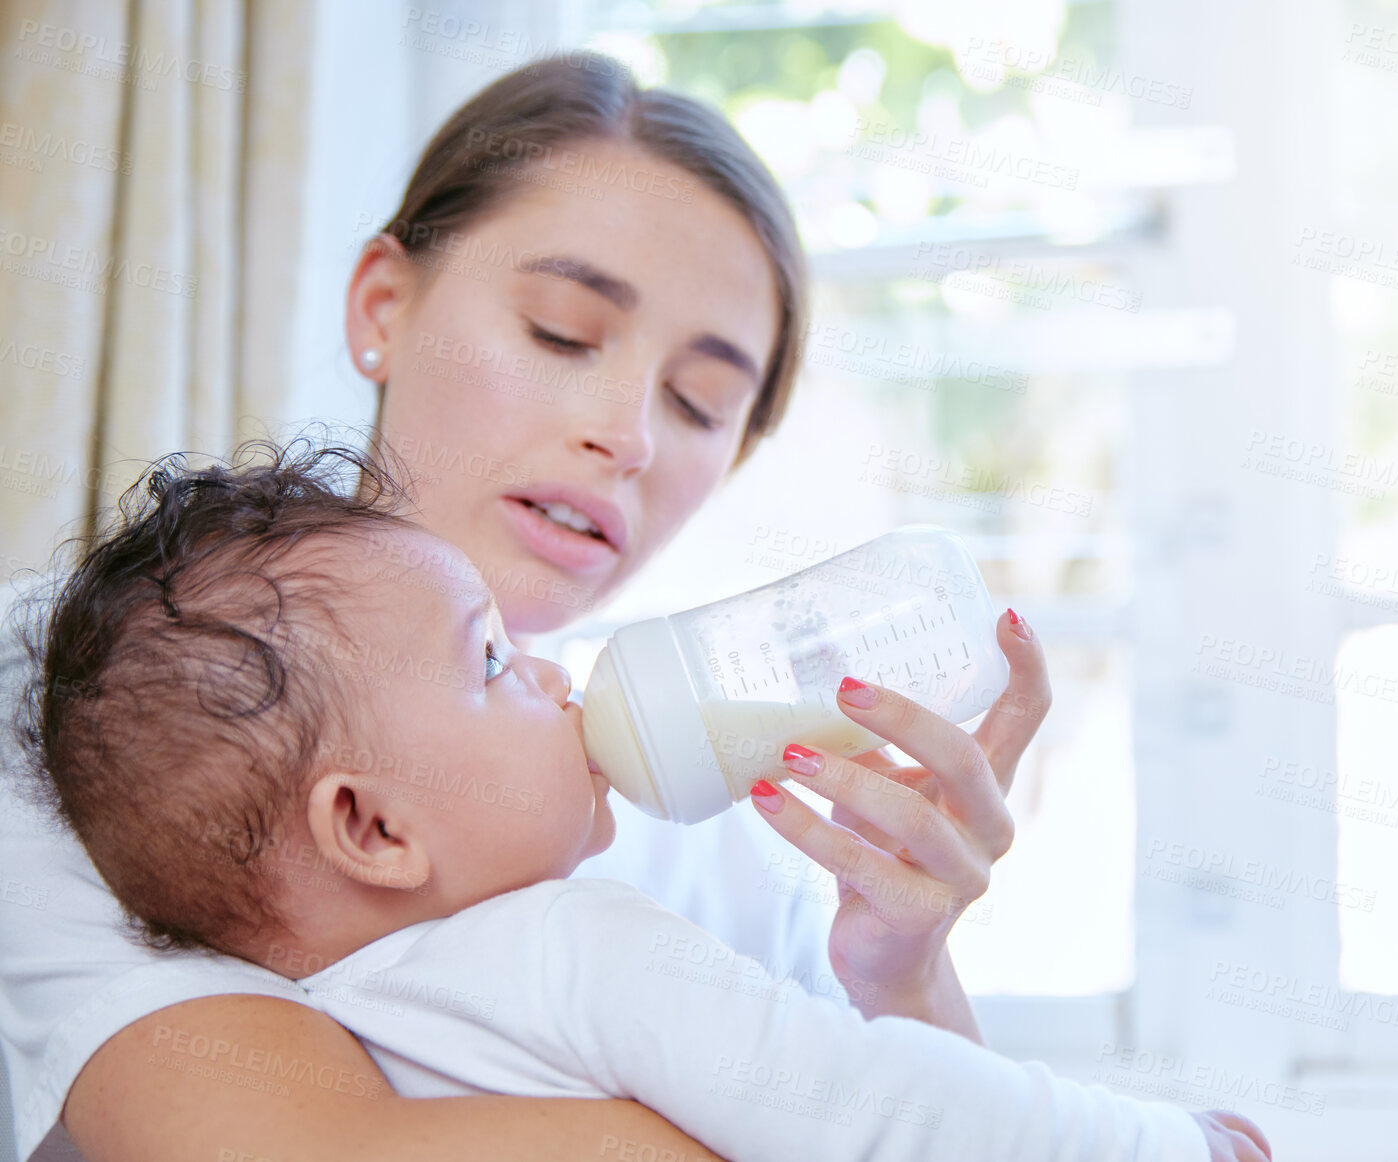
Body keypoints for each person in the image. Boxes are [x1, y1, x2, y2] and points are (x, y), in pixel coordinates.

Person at [0, 52, 1262, 1162]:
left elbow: (899, 1116)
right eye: (561, 331)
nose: (627, 434)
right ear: (384, 306)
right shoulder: (82, 690)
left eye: (703, 405)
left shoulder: (714, 819)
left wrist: (901, 974)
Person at [17, 441, 1269, 1162]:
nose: (557, 674)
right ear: (375, 830)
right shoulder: (568, 945)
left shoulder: (331, 1016)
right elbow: (866, 1103)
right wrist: (1165, 1146)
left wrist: (904, 963)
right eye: (493, 662)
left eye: (702, 400)